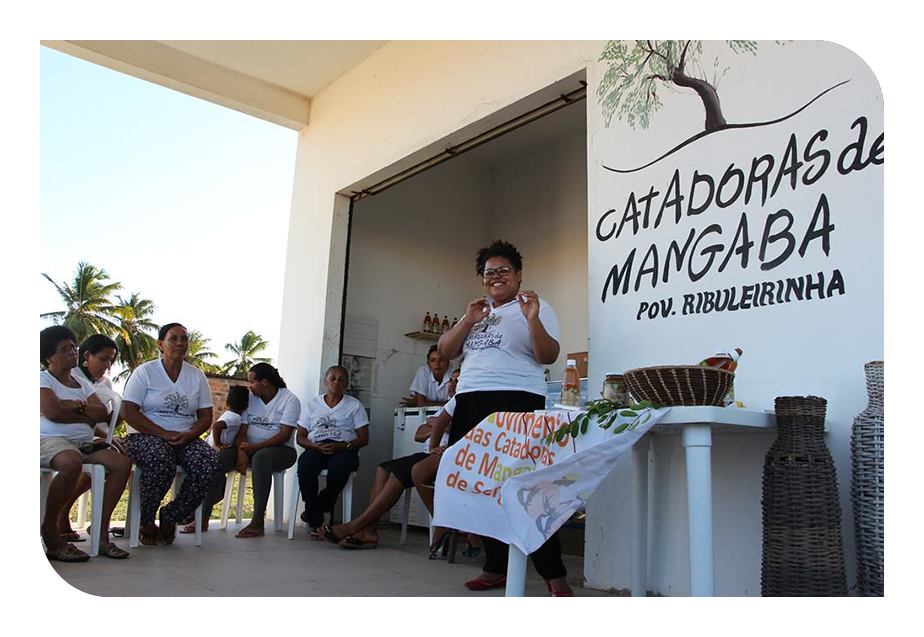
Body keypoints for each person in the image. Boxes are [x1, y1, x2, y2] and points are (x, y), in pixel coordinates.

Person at [436, 239, 573, 596]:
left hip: (515, 399)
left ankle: (555, 576)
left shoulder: (535, 307)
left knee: (526, 488)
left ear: (518, 275)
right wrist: (468, 321)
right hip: (469, 400)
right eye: (489, 273)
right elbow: (446, 352)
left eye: (503, 271)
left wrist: (531, 320)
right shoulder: (477, 313)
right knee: (479, 486)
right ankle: (496, 565)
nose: (495, 278)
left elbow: (548, 356)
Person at [325, 368, 461, 549]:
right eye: (451, 380)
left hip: (440, 456)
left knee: (396, 475)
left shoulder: (464, 404)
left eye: (457, 381)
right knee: (382, 468)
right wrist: (440, 425)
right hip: (427, 452)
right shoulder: (448, 406)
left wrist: (436, 424)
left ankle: (357, 527)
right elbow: (419, 434)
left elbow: (445, 428)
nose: (452, 385)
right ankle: (369, 530)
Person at [121, 323, 220, 546]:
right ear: (160, 344)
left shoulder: (196, 376)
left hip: (185, 436)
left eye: (183, 339)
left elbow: (205, 416)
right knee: (160, 460)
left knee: (209, 463)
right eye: (173, 339)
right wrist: (162, 433)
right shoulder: (145, 372)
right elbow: (128, 411)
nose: (179, 344)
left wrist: (190, 435)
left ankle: (171, 516)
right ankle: (146, 521)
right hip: (146, 435)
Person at [40, 326, 131, 561]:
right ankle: (50, 531)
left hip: (84, 443)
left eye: (73, 347)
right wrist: (84, 412)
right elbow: (52, 412)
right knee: (70, 463)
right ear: (49, 356)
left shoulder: (84, 385)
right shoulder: (42, 379)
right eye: (65, 349)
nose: (72, 352)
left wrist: (74, 406)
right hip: (50, 440)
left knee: (121, 464)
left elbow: (101, 412)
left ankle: (101, 536)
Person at [197, 364, 299, 538]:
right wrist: (242, 451)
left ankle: (258, 521)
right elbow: (241, 429)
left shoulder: (289, 400)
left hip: (281, 451)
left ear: (264, 382)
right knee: (221, 458)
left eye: (252, 382)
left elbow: (284, 435)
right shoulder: (251, 398)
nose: (249, 386)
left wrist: (255, 448)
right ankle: (203, 516)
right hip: (248, 448)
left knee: (261, 457)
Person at [56, 333, 122, 543]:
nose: (108, 365)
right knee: (102, 456)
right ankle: (61, 513)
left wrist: (118, 418)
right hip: (76, 436)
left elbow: (105, 416)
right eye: (103, 359)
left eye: (111, 361)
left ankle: (103, 523)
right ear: (87, 355)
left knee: (124, 456)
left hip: (101, 436)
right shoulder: (71, 377)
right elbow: (77, 416)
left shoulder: (105, 383)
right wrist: (104, 434)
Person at [296, 365, 369, 539]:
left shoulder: (354, 405)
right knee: (305, 465)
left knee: (340, 466)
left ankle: (318, 507)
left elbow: (364, 439)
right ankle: (316, 520)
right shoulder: (313, 404)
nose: (336, 382)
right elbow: (300, 437)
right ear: (325, 381)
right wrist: (315, 446)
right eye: (332, 378)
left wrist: (343, 446)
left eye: (341, 379)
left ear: (347, 384)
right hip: (317, 447)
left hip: (344, 448)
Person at [179, 384, 249, 533]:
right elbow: (217, 426)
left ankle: (195, 513)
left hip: (211, 451)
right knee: (215, 488)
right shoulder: (235, 418)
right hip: (212, 453)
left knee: (220, 491)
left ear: (227, 403)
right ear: (246, 406)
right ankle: (198, 515)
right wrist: (218, 443)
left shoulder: (229, 415)